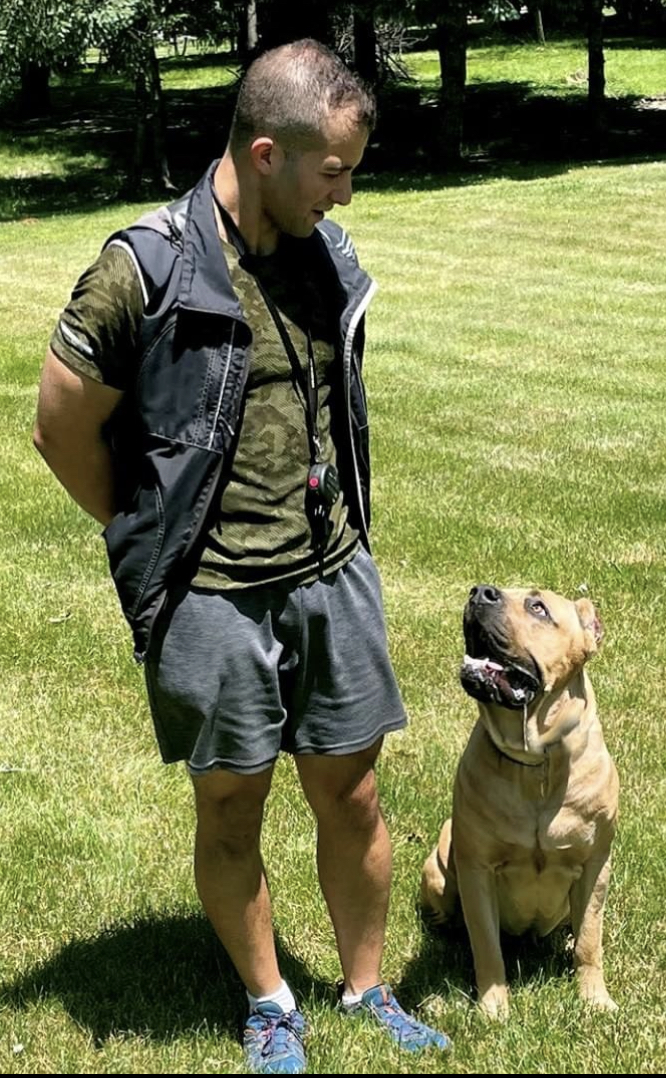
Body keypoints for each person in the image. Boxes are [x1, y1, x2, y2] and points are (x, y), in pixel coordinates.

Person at [33, 38, 450, 1074]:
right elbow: (60, 424)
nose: (347, 192)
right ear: (267, 153)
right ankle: (270, 1003)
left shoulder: (320, 252)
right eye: (336, 169)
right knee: (233, 802)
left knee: (352, 791)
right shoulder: (145, 265)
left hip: (330, 568)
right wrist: (148, 541)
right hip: (212, 595)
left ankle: (365, 986)